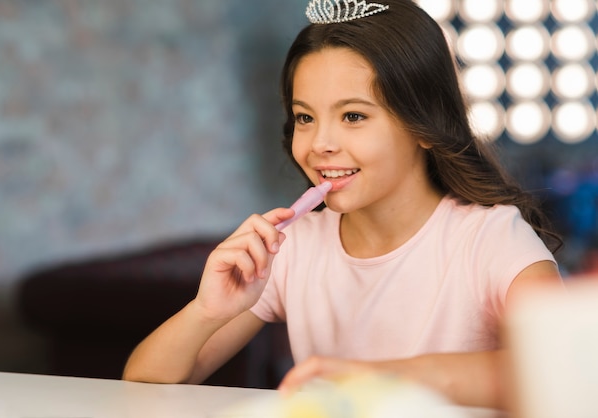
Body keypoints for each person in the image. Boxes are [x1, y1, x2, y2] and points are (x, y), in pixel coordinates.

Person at [123, 0, 562, 410]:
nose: (320, 144)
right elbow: (143, 383)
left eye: (353, 116)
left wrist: (380, 379)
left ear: (424, 126)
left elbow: (565, 367)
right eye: (305, 118)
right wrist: (207, 310)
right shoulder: (290, 248)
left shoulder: (490, 240)